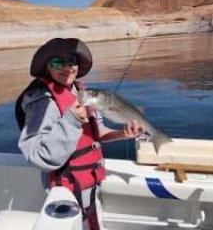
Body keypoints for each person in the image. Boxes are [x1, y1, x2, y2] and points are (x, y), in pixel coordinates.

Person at [15, 38, 146, 230]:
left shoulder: (82, 93)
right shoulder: (42, 102)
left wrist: (122, 134)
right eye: (58, 62)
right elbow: (37, 155)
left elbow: (96, 133)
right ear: (46, 67)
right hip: (66, 192)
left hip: (92, 185)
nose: (67, 68)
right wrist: (71, 120)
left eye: (71, 61)